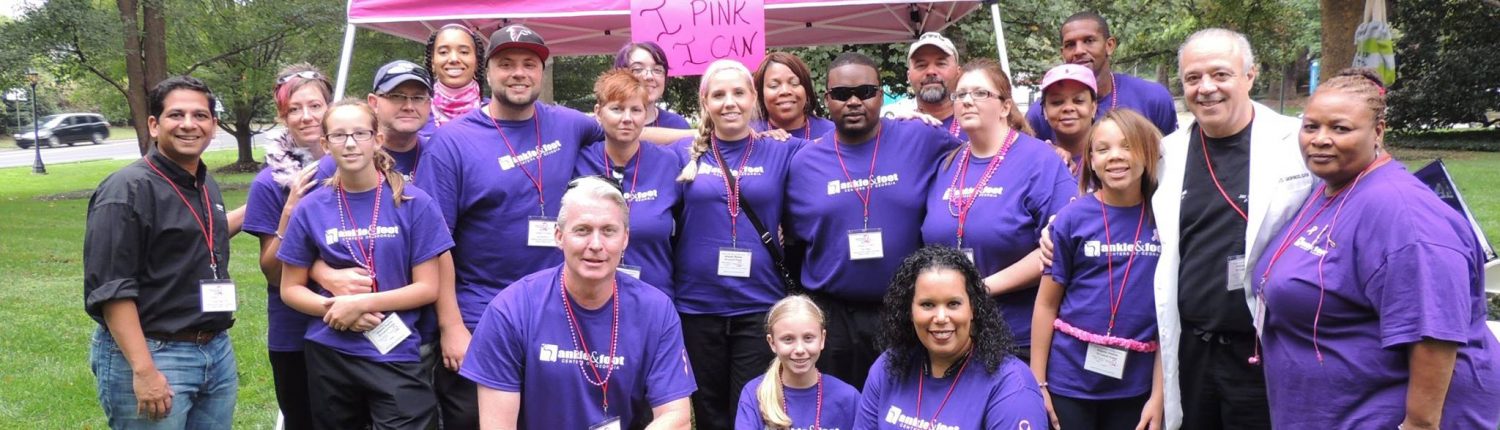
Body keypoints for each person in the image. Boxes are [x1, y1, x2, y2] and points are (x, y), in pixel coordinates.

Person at [1252, 69, 1500, 428]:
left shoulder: (1407, 218)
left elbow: (1434, 333)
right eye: (1311, 127)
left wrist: (1418, 424)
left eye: (1340, 128)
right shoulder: (1334, 186)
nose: (1320, 140)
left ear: (1378, 132)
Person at [415, 23, 607, 428]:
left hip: (555, 312)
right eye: (506, 64)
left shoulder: (568, 124)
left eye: (528, 64)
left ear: (541, 71)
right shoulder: (452, 143)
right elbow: (433, 244)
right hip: (479, 314)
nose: (518, 73)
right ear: (487, 72)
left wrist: (703, 139)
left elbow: (629, 130)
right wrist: (451, 327)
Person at [1149, 28, 1312, 429]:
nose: (1206, 88)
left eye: (1220, 74)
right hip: (1195, 350)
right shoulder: (1168, 153)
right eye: (1193, 78)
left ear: (1250, 76)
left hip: (1262, 349)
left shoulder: (1297, 144)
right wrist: (1056, 227)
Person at [461, 176, 696, 429]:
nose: (595, 245)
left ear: (625, 239)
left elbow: (677, 417)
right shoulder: (511, 310)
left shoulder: (656, 311)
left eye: (608, 231)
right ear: (559, 236)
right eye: (582, 230)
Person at [786, 52, 961, 391]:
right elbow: (793, 236)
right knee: (840, 405)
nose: (854, 102)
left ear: (881, 95)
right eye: (841, 94)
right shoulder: (804, 161)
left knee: (905, 403)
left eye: (865, 92)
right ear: (826, 100)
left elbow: (984, 151)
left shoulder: (922, 137)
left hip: (905, 308)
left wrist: (1053, 149)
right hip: (834, 315)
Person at [277, 100, 451, 429]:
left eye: (360, 133)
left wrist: (360, 304)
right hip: (330, 351)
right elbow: (290, 288)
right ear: (325, 144)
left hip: (394, 351)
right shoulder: (310, 208)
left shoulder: (414, 203)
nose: (350, 143)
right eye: (339, 135)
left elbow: (428, 287)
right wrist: (335, 309)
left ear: (377, 139)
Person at [84, 75, 237, 427]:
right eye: (176, 115)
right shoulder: (127, 190)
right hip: (155, 353)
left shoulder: (202, 182)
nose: (189, 124)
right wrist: (144, 371)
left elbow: (199, 237)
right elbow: (112, 289)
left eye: (200, 116)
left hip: (215, 351)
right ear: (154, 125)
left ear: (213, 126)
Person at [672, 59, 810, 430]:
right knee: (709, 412)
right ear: (705, 102)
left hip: (758, 304)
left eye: (738, 93)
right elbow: (631, 134)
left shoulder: (782, 150)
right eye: (718, 95)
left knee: (752, 410)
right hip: (697, 306)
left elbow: (843, 144)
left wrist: (912, 120)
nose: (729, 102)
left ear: (753, 98)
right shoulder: (683, 153)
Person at [920, 58, 1076, 362]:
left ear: (1005, 107)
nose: (967, 101)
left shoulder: (1040, 161)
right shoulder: (947, 163)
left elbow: (1059, 247)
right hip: (951, 334)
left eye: (980, 93)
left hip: (1017, 336)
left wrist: (981, 288)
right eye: (960, 94)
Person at [1032, 109, 1164, 430]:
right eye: (1103, 149)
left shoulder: (1165, 217)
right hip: (1069, 381)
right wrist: (1038, 384)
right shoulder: (1071, 218)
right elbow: (1046, 304)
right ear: (1091, 161)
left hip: (1135, 386)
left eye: (1127, 146)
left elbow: (1168, 319)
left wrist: (1159, 396)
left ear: (1148, 153)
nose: (1115, 156)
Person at [855, 246, 1048, 428]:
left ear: (973, 309)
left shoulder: (1012, 385)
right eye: (927, 305)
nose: (941, 318)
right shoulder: (888, 367)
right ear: (909, 311)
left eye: (953, 304)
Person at [240, 63, 333, 430]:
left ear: (330, 108)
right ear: (283, 116)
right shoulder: (269, 183)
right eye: (294, 109)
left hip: (356, 326)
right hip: (296, 334)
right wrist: (290, 212)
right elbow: (273, 273)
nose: (306, 116)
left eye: (315, 105)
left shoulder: (360, 171)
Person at [575, 69, 687, 296]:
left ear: (645, 115)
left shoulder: (668, 163)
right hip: (589, 297)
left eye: (636, 110)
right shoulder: (578, 161)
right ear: (598, 112)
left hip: (654, 297)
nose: (627, 118)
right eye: (617, 109)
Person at [1026, 12, 1177, 142]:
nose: (1079, 51)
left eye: (1089, 41)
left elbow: (1172, 157)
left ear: (1109, 45)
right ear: (1062, 53)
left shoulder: (1152, 98)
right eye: (1070, 45)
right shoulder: (1043, 113)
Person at [734, 295, 860, 429]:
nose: (799, 349)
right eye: (788, 339)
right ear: (772, 343)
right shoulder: (755, 394)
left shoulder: (848, 397)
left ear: (822, 339)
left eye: (808, 338)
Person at [886, 32, 967, 141]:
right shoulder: (897, 131)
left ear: (958, 73)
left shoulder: (980, 125)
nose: (931, 71)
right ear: (909, 76)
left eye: (941, 64)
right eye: (921, 65)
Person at [751, 51, 835, 140]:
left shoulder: (832, 133)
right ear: (760, 93)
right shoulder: (749, 135)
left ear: (807, 89)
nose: (785, 91)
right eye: (774, 85)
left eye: (794, 83)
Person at [424, 24, 487, 136]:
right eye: (443, 52)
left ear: (477, 62)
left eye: (464, 52)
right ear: (433, 63)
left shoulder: (495, 113)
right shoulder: (416, 113)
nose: (454, 59)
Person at [1038, 63, 1100, 177]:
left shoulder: (1109, 157)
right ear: (1045, 111)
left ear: (1093, 108)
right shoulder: (1038, 159)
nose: (1068, 108)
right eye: (1057, 102)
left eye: (1078, 100)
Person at [614, 41, 693, 129]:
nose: (649, 76)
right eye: (638, 69)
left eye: (657, 70)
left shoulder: (677, 125)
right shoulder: (606, 125)